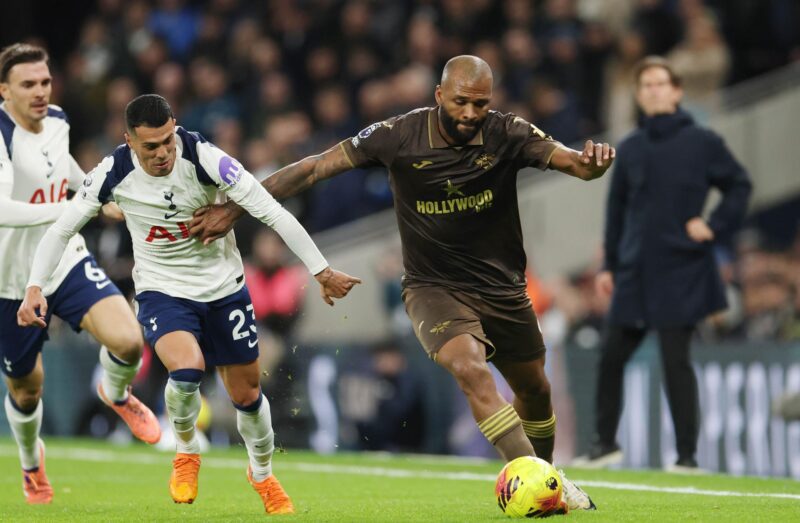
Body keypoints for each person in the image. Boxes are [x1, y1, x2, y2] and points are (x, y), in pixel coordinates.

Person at [190, 55, 615, 512]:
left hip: (502, 288)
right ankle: (538, 483)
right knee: (471, 370)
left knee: (535, 390)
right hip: (434, 288)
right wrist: (235, 209)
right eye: (460, 102)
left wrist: (593, 163)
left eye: (480, 104)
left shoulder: (507, 132)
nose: (471, 113)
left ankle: (546, 479)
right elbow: (314, 167)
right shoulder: (398, 135)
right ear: (438, 96)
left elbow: (575, 164)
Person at [18, 94, 360, 513]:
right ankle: (185, 450)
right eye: (150, 147)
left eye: (167, 141)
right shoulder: (111, 173)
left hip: (224, 289)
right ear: (129, 141)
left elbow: (273, 212)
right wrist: (35, 286)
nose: (162, 153)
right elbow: (60, 230)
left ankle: (263, 474)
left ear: (175, 127)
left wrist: (320, 270)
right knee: (187, 368)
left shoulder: (204, 157)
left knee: (247, 396)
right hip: (163, 291)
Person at [0, 43, 160, 505]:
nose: (39, 91)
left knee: (129, 341)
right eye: (27, 84)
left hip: (63, 260)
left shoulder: (58, 120)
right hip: (11, 279)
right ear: (4, 90)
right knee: (28, 392)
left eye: (44, 81)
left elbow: (62, 167)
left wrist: (91, 190)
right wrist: (72, 208)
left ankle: (115, 393)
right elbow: (4, 207)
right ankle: (31, 463)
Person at [586, 56, 752, 471]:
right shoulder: (631, 148)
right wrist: (608, 265)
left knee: (675, 362)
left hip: (680, 267)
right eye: (647, 85)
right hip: (635, 269)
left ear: (677, 91)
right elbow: (616, 210)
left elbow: (739, 185)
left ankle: (687, 457)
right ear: (639, 96)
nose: (655, 90)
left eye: (662, 83)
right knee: (610, 356)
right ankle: (605, 444)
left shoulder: (702, 142)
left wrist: (713, 225)